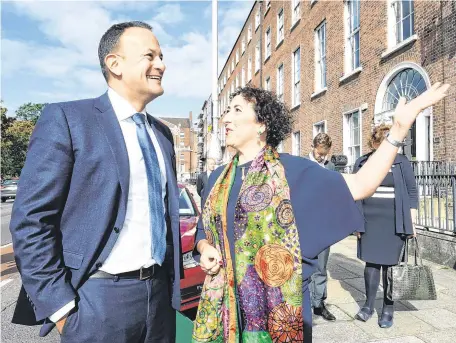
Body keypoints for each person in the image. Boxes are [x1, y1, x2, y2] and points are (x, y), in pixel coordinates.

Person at [191, 83, 448, 343]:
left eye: (237, 110)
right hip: (224, 311)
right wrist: (204, 247)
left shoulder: (291, 171)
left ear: (262, 124)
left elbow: (361, 184)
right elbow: (204, 228)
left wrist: (398, 130)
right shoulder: (216, 179)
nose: (226, 118)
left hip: (279, 314)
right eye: (227, 111)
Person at [10, 21, 182, 343]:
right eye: (150, 55)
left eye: (161, 56)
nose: (161, 64)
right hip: (96, 301)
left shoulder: (163, 135)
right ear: (114, 64)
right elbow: (32, 220)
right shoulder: (68, 119)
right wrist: (61, 308)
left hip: (159, 298)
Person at [353, 123, 418, 329]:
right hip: (369, 220)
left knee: (391, 267)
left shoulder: (401, 162)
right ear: (374, 143)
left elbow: (412, 192)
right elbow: (354, 190)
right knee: (371, 265)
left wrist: (412, 222)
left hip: (394, 220)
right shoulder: (363, 162)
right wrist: (356, 221)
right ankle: (368, 306)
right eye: (380, 143)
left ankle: (388, 308)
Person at [306, 133, 336, 321]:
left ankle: (319, 303)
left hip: (324, 222)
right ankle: (304, 302)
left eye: (324, 154)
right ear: (313, 147)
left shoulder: (331, 166)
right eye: (319, 153)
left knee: (322, 266)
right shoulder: (303, 164)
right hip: (307, 223)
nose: (322, 157)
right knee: (306, 264)